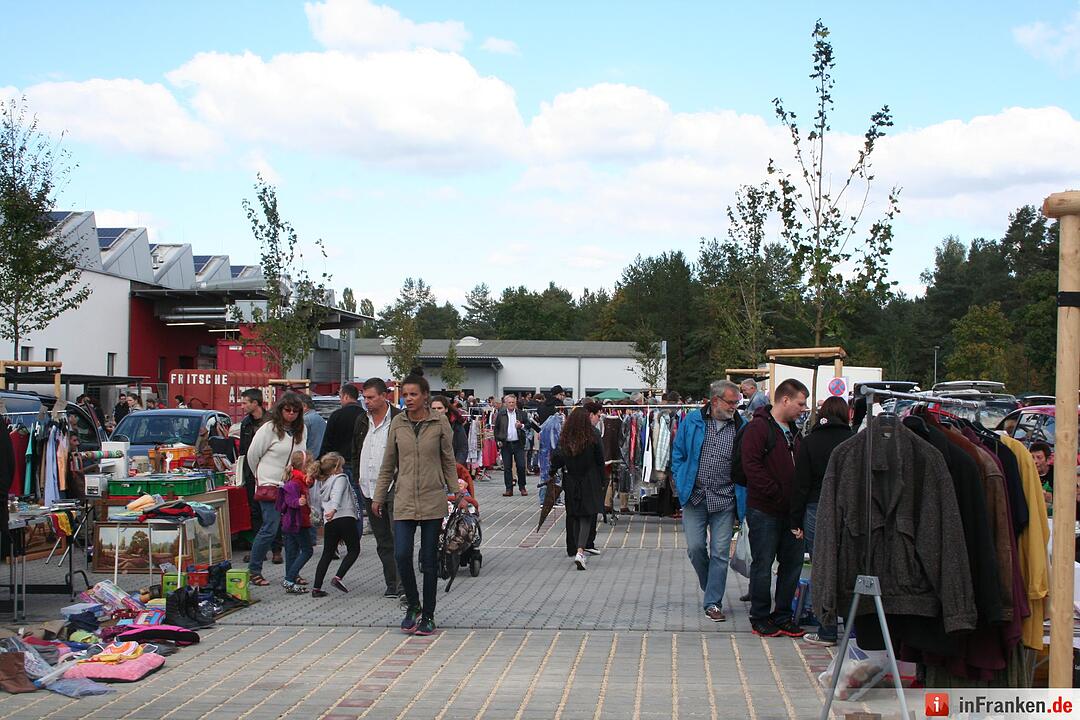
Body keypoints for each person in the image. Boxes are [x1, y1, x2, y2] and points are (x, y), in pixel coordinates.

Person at [371, 370, 456, 637]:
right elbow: (388, 464)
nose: (407, 399)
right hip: (404, 498)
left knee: (429, 561)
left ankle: (428, 614)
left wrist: (457, 492)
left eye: (413, 394)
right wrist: (378, 495)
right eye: (405, 394)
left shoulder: (439, 423)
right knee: (401, 554)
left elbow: (448, 460)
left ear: (425, 396)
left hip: (432, 498)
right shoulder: (398, 424)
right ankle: (413, 605)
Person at [670, 380, 744, 623]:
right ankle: (710, 585)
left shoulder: (741, 425)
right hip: (695, 496)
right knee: (695, 549)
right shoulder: (692, 420)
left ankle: (713, 602)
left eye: (737, 402)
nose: (735, 406)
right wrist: (680, 478)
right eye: (731, 402)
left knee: (720, 553)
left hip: (725, 499)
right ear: (715, 401)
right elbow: (678, 453)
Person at [743, 378, 809, 638]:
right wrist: (777, 493)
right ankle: (760, 616)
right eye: (800, 403)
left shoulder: (794, 431)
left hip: (791, 512)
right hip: (765, 510)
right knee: (763, 563)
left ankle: (783, 615)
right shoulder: (758, 429)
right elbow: (752, 468)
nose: (803, 409)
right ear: (785, 400)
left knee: (792, 564)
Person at [790, 396, 853, 645]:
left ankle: (826, 629)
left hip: (816, 509)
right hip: (849, 510)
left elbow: (800, 484)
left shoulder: (810, 442)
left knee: (821, 567)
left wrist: (795, 520)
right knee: (849, 566)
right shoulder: (854, 441)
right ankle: (851, 628)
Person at [245, 391, 307, 587]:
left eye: (295, 411)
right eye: (287, 410)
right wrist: (261, 477)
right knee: (270, 529)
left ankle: (291, 572)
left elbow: (301, 456)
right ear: (280, 410)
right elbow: (253, 455)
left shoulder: (301, 430)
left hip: (290, 486)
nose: (291, 414)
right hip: (270, 484)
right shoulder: (269, 428)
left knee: (291, 531)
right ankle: (254, 570)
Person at [352, 377, 403, 599]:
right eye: (364, 397)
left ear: (385, 396)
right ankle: (391, 582)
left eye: (371, 397)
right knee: (382, 540)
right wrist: (357, 476)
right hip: (368, 487)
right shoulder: (362, 420)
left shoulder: (399, 420)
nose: (367, 401)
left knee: (398, 537)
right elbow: (356, 450)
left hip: (393, 486)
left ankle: (403, 585)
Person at [550, 403, 605, 570]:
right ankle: (581, 550)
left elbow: (557, 459)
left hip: (571, 479)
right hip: (590, 479)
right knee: (586, 516)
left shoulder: (565, 437)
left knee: (573, 514)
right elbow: (600, 460)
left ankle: (575, 549)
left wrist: (552, 472)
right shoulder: (593, 435)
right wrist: (602, 481)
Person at [310, 452, 361, 598]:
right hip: (344, 516)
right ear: (335, 468)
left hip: (330, 522)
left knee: (327, 553)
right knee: (354, 550)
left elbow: (319, 500)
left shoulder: (322, 482)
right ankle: (338, 577)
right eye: (341, 466)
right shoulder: (341, 478)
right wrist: (334, 509)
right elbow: (338, 495)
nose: (343, 469)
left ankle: (316, 587)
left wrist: (327, 513)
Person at [239, 389, 280, 565]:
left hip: (271, 472)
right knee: (255, 512)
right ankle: (260, 550)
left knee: (274, 511)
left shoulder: (272, 421)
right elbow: (243, 451)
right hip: (251, 473)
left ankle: (277, 550)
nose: (242, 406)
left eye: (245, 402)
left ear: (255, 403)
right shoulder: (246, 424)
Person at [320, 384, 366, 535]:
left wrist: (321, 465)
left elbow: (327, 442)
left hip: (338, 466)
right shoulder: (365, 416)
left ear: (346, 396)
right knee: (356, 503)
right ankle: (355, 536)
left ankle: (335, 538)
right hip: (358, 465)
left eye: (340, 397)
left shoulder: (336, 415)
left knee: (335, 503)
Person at [281, 450, 314, 594]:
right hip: (298, 522)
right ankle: (289, 579)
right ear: (305, 466)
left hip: (291, 522)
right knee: (307, 550)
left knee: (291, 552)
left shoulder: (299, 479)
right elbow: (288, 499)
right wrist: (298, 502)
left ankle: (291, 581)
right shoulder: (295, 481)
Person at [495, 394, 537, 496]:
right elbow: (497, 429)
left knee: (521, 466)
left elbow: (529, 425)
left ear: (515, 403)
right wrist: (498, 440)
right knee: (507, 467)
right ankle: (509, 489)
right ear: (505, 403)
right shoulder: (501, 414)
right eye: (509, 402)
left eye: (513, 402)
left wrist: (521, 425)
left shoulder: (521, 414)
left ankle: (522, 487)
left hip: (518, 443)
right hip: (506, 444)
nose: (511, 404)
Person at [431, 396, 469, 465]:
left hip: (451, 466)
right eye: (433, 408)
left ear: (446, 409)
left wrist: (457, 465)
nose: (436, 411)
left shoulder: (455, 425)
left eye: (439, 408)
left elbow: (462, 448)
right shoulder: (425, 425)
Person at [302, 394, 327, 461]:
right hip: (320, 458)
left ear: (304, 406)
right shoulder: (321, 420)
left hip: (307, 459)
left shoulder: (305, 420)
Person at [1031, 441, 1054, 507]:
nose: (1035, 461)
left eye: (1039, 457)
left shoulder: (1057, 475)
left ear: (1048, 459)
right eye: (1032, 457)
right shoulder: (1026, 473)